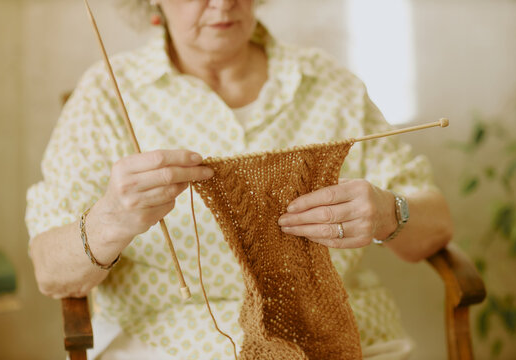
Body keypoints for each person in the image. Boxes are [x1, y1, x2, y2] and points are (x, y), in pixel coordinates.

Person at [25, 0, 453, 359]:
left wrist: (389, 213)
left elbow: (436, 227)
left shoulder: (329, 84)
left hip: (343, 339)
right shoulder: (107, 94)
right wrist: (110, 220)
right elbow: (51, 272)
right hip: (171, 344)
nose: (224, 1)